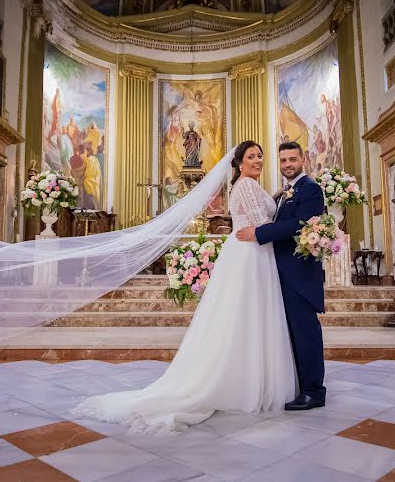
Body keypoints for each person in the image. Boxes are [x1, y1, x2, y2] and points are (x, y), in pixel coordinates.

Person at [72, 141, 297, 433]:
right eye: (251, 156)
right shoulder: (248, 186)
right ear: (239, 163)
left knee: (239, 319)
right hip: (252, 254)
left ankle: (243, 376)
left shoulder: (245, 185)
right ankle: (249, 380)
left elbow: (260, 214)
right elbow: (261, 223)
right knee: (248, 317)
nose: (257, 161)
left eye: (260, 157)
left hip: (246, 254)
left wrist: (278, 196)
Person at [236, 141, 327, 411]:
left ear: (303, 160)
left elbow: (298, 224)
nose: (287, 164)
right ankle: (301, 386)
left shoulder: (309, 189)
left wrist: (259, 233)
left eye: (292, 160)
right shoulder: (289, 190)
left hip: (299, 273)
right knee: (293, 332)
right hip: (282, 270)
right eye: (283, 160)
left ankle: (313, 391)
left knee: (306, 331)